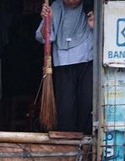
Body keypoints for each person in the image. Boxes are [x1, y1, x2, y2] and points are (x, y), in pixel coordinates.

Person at [35, 0, 95, 134]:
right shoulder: (55, 7)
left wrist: (95, 25)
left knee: (87, 105)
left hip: (87, 61)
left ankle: (87, 148)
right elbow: (44, 37)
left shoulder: (90, 5)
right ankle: (69, 149)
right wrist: (47, 20)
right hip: (63, 64)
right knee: (65, 109)